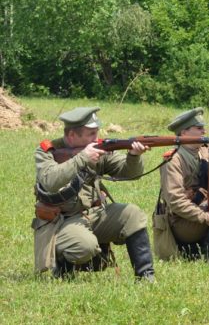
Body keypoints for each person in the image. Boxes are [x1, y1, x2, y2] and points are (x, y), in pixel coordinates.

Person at [32, 107, 155, 281]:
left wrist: (134, 156)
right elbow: (50, 181)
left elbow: (130, 173)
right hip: (61, 221)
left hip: (93, 214)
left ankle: (145, 277)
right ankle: (63, 269)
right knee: (84, 246)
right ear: (72, 135)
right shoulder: (48, 152)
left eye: (96, 132)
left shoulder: (98, 149)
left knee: (132, 214)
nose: (96, 138)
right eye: (91, 134)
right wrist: (82, 157)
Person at [153, 108, 209, 263]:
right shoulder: (173, 160)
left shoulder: (204, 152)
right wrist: (205, 217)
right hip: (182, 223)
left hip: (204, 211)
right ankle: (206, 251)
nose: (204, 131)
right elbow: (176, 202)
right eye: (199, 128)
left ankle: (208, 246)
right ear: (184, 133)